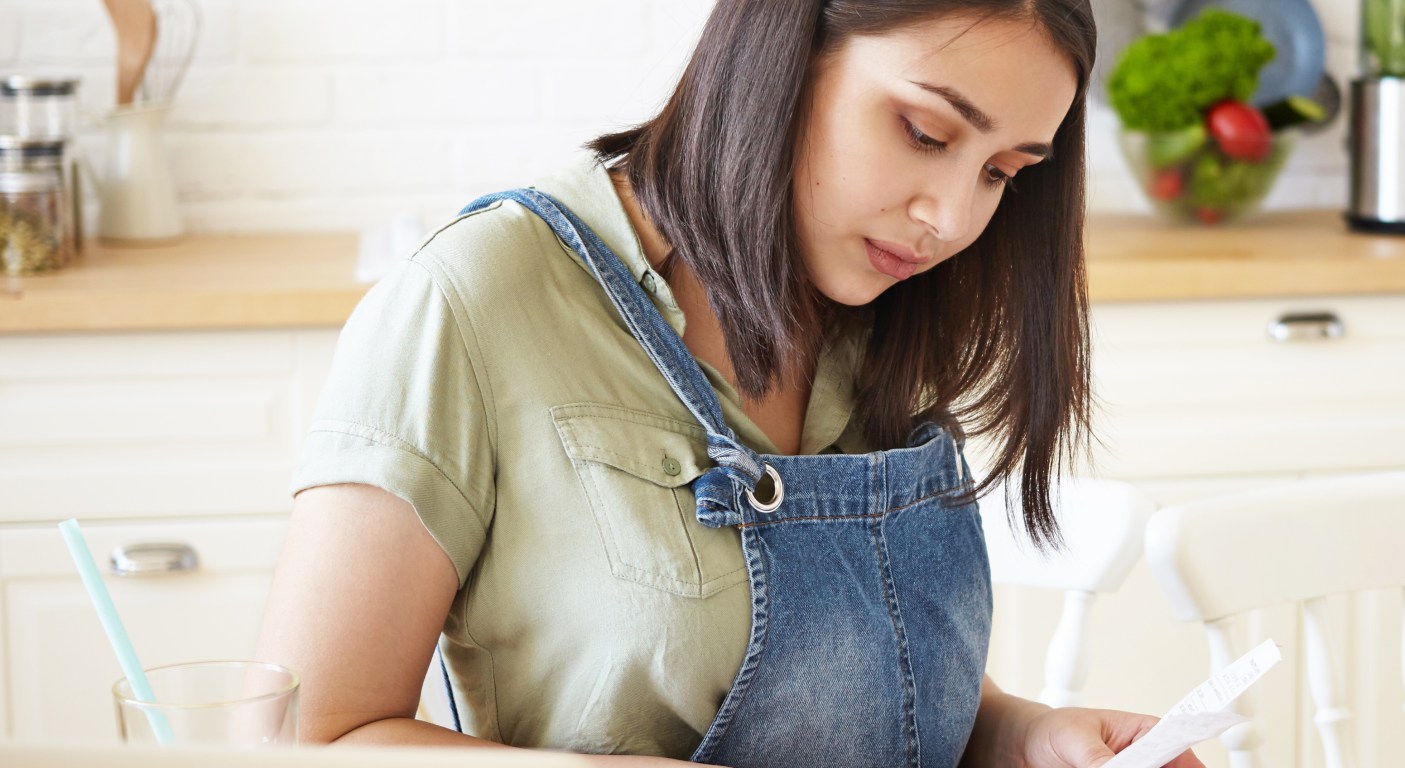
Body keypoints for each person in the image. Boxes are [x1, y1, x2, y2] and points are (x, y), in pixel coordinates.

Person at [257, 1, 1203, 766]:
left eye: (1001, 172)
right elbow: (308, 740)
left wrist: (1023, 736)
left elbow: (859, 683)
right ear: (784, 46)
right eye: (922, 132)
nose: (950, 218)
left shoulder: (883, 304)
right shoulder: (474, 300)